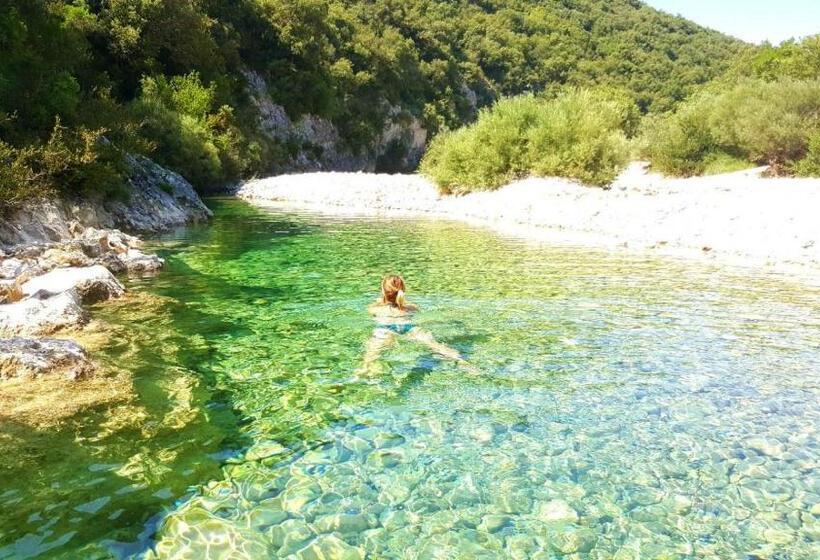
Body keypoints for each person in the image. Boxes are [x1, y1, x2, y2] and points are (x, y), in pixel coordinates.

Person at [356, 274, 477, 377]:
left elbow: (374, 314)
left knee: (371, 355)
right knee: (436, 346)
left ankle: (360, 374)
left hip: (385, 329)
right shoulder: (412, 307)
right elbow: (411, 311)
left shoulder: (374, 308)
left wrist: (380, 302)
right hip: (410, 327)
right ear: (403, 291)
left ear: (383, 292)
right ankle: (462, 361)